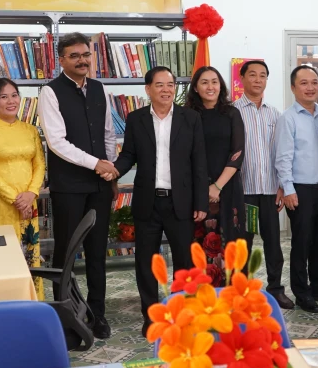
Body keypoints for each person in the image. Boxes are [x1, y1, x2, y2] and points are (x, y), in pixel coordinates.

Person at [109, 67, 208, 337]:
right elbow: (129, 154)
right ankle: (152, 315)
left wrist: (201, 202)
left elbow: (199, 162)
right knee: (147, 262)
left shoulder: (191, 118)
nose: (167, 89)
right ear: (148, 89)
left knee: (184, 263)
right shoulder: (136, 118)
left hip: (182, 203)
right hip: (147, 202)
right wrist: (115, 169)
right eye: (160, 84)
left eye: (171, 84)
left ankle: (182, 313)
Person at [38, 32, 117, 339]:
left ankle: (97, 314)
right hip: (68, 186)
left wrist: (111, 172)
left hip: (99, 185)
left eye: (86, 54)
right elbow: (57, 142)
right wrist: (95, 163)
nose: (82, 60)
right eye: (75, 56)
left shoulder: (99, 89)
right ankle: (66, 318)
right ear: (62, 60)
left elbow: (108, 134)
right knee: (66, 254)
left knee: (98, 252)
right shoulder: (50, 92)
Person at [275, 66, 318, 313]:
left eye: (314, 82)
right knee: (302, 243)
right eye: (304, 83)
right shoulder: (288, 118)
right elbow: (282, 157)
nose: (311, 87)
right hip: (301, 189)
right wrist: (288, 188)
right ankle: (302, 292)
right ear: (293, 88)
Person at [0, 78, 46, 301]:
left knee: (29, 254)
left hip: (28, 201)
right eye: (4, 97)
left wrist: (31, 193)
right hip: (0, 204)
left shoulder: (30, 130)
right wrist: (16, 199)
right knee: (0, 255)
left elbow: (40, 164)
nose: (11, 101)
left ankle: (34, 303)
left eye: (14, 95)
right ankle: (1, 306)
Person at [233, 60, 293, 310]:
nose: (258, 80)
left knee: (273, 243)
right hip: (242, 191)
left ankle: (276, 289)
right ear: (242, 79)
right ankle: (241, 291)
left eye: (263, 76)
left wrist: (281, 184)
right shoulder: (232, 111)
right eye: (253, 75)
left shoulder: (275, 114)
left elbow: (282, 152)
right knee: (242, 246)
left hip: (269, 190)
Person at [186, 66, 247, 283]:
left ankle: (233, 297)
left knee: (231, 243)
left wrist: (217, 186)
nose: (210, 86)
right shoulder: (188, 115)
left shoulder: (231, 113)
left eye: (214, 81)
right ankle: (205, 298)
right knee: (200, 244)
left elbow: (238, 153)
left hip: (228, 187)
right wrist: (204, 189)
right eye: (204, 82)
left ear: (220, 85)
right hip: (197, 188)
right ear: (195, 87)